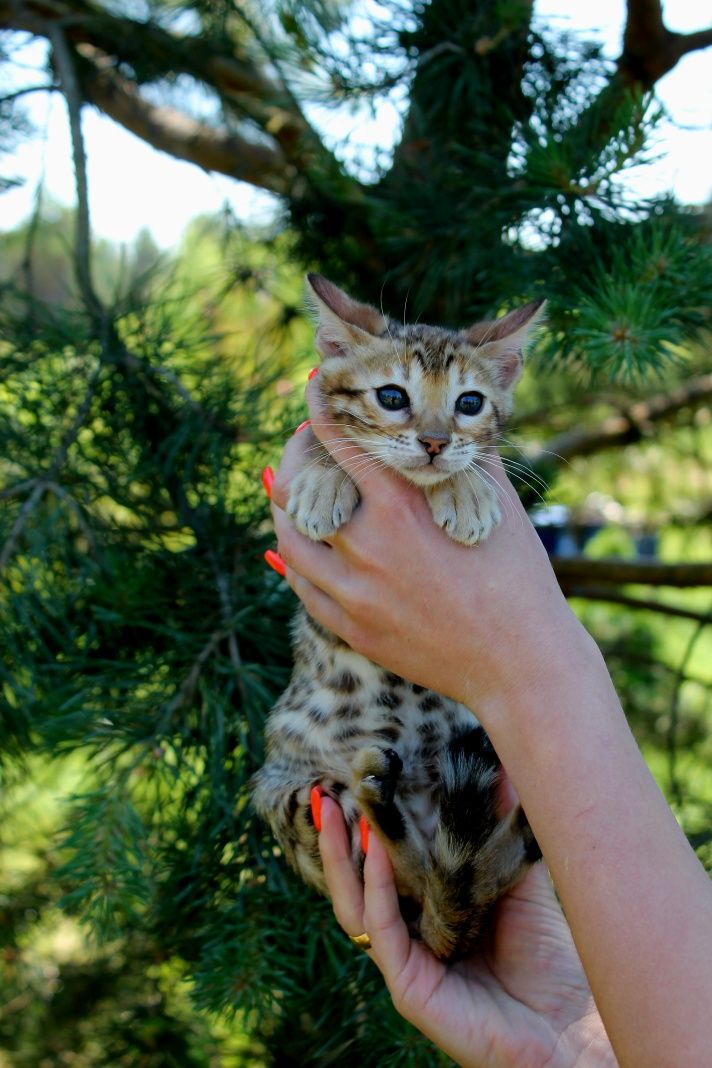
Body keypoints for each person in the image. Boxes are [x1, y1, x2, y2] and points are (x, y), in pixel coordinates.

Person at [264, 377, 712, 1068]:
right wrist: (573, 1032)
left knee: (431, 803)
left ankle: (438, 864)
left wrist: (532, 670)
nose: (435, 429)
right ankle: (445, 866)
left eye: (468, 404)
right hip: (397, 773)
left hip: (419, 779)